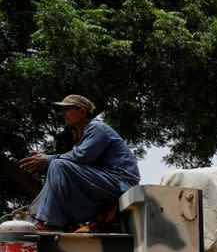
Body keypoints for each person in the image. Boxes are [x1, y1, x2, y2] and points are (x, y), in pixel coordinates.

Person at [19, 94, 140, 230]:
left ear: (82, 111)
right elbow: (78, 159)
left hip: (120, 182)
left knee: (58, 165)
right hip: (106, 181)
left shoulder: (97, 128)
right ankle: (35, 216)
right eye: (61, 110)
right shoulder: (84, 136)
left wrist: (47, 158)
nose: (62, 114)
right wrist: (48, 158)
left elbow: (81, 156)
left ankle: (49, 223)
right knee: (58, 169)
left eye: (66, 109)